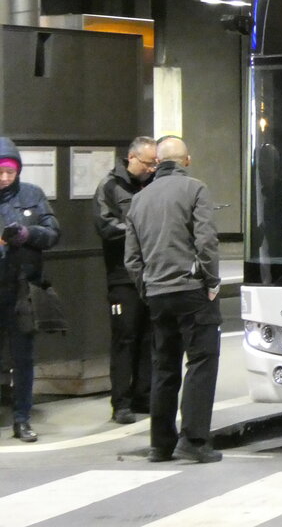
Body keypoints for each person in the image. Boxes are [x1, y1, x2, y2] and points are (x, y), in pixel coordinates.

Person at [125, 136, 222, 463]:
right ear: (187, 160)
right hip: (192, 290)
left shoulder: (139, 199)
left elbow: (132, 259)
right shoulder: (196, 189)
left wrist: (147, 288)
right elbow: (206, 241)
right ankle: (194, 440)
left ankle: (160, 444)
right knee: (201, 362)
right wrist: (211, 281)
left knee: (164, 367)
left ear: (157, 163)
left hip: (157, 293)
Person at [93, 136, 157, 425]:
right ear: (132, 158)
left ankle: (144, 395)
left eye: (155, 163)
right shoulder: (109, 186)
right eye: (148, 163)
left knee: (149, 337)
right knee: (125, 338)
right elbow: (105, 227)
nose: (151, 168)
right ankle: (121, 402)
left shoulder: (155, 184)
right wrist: (139, 230)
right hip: (122, 277)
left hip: (152, 274)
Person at [0, 137, 61, 443]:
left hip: (22, 290)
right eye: (0, 172)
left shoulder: (32, 194)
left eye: (10, 172)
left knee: (23, 358)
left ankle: (22, 419)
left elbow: (53, 233)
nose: (5, 178)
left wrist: (27, 233)